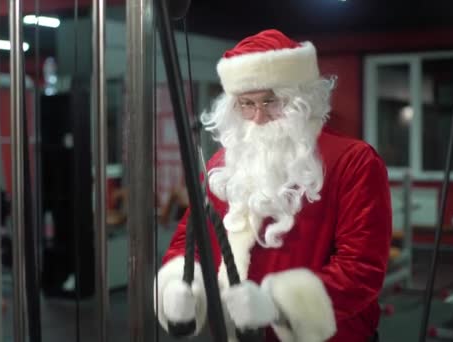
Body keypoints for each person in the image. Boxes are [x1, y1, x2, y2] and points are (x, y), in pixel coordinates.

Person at [154, 29, 392, 342]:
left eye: (271, 100)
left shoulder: (355, 161)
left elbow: (361, 270)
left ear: (301, 99)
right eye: (246, 104)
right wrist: (181, 284)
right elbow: (192, 238)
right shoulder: (221, 166)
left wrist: (276, 305)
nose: (258, 116)